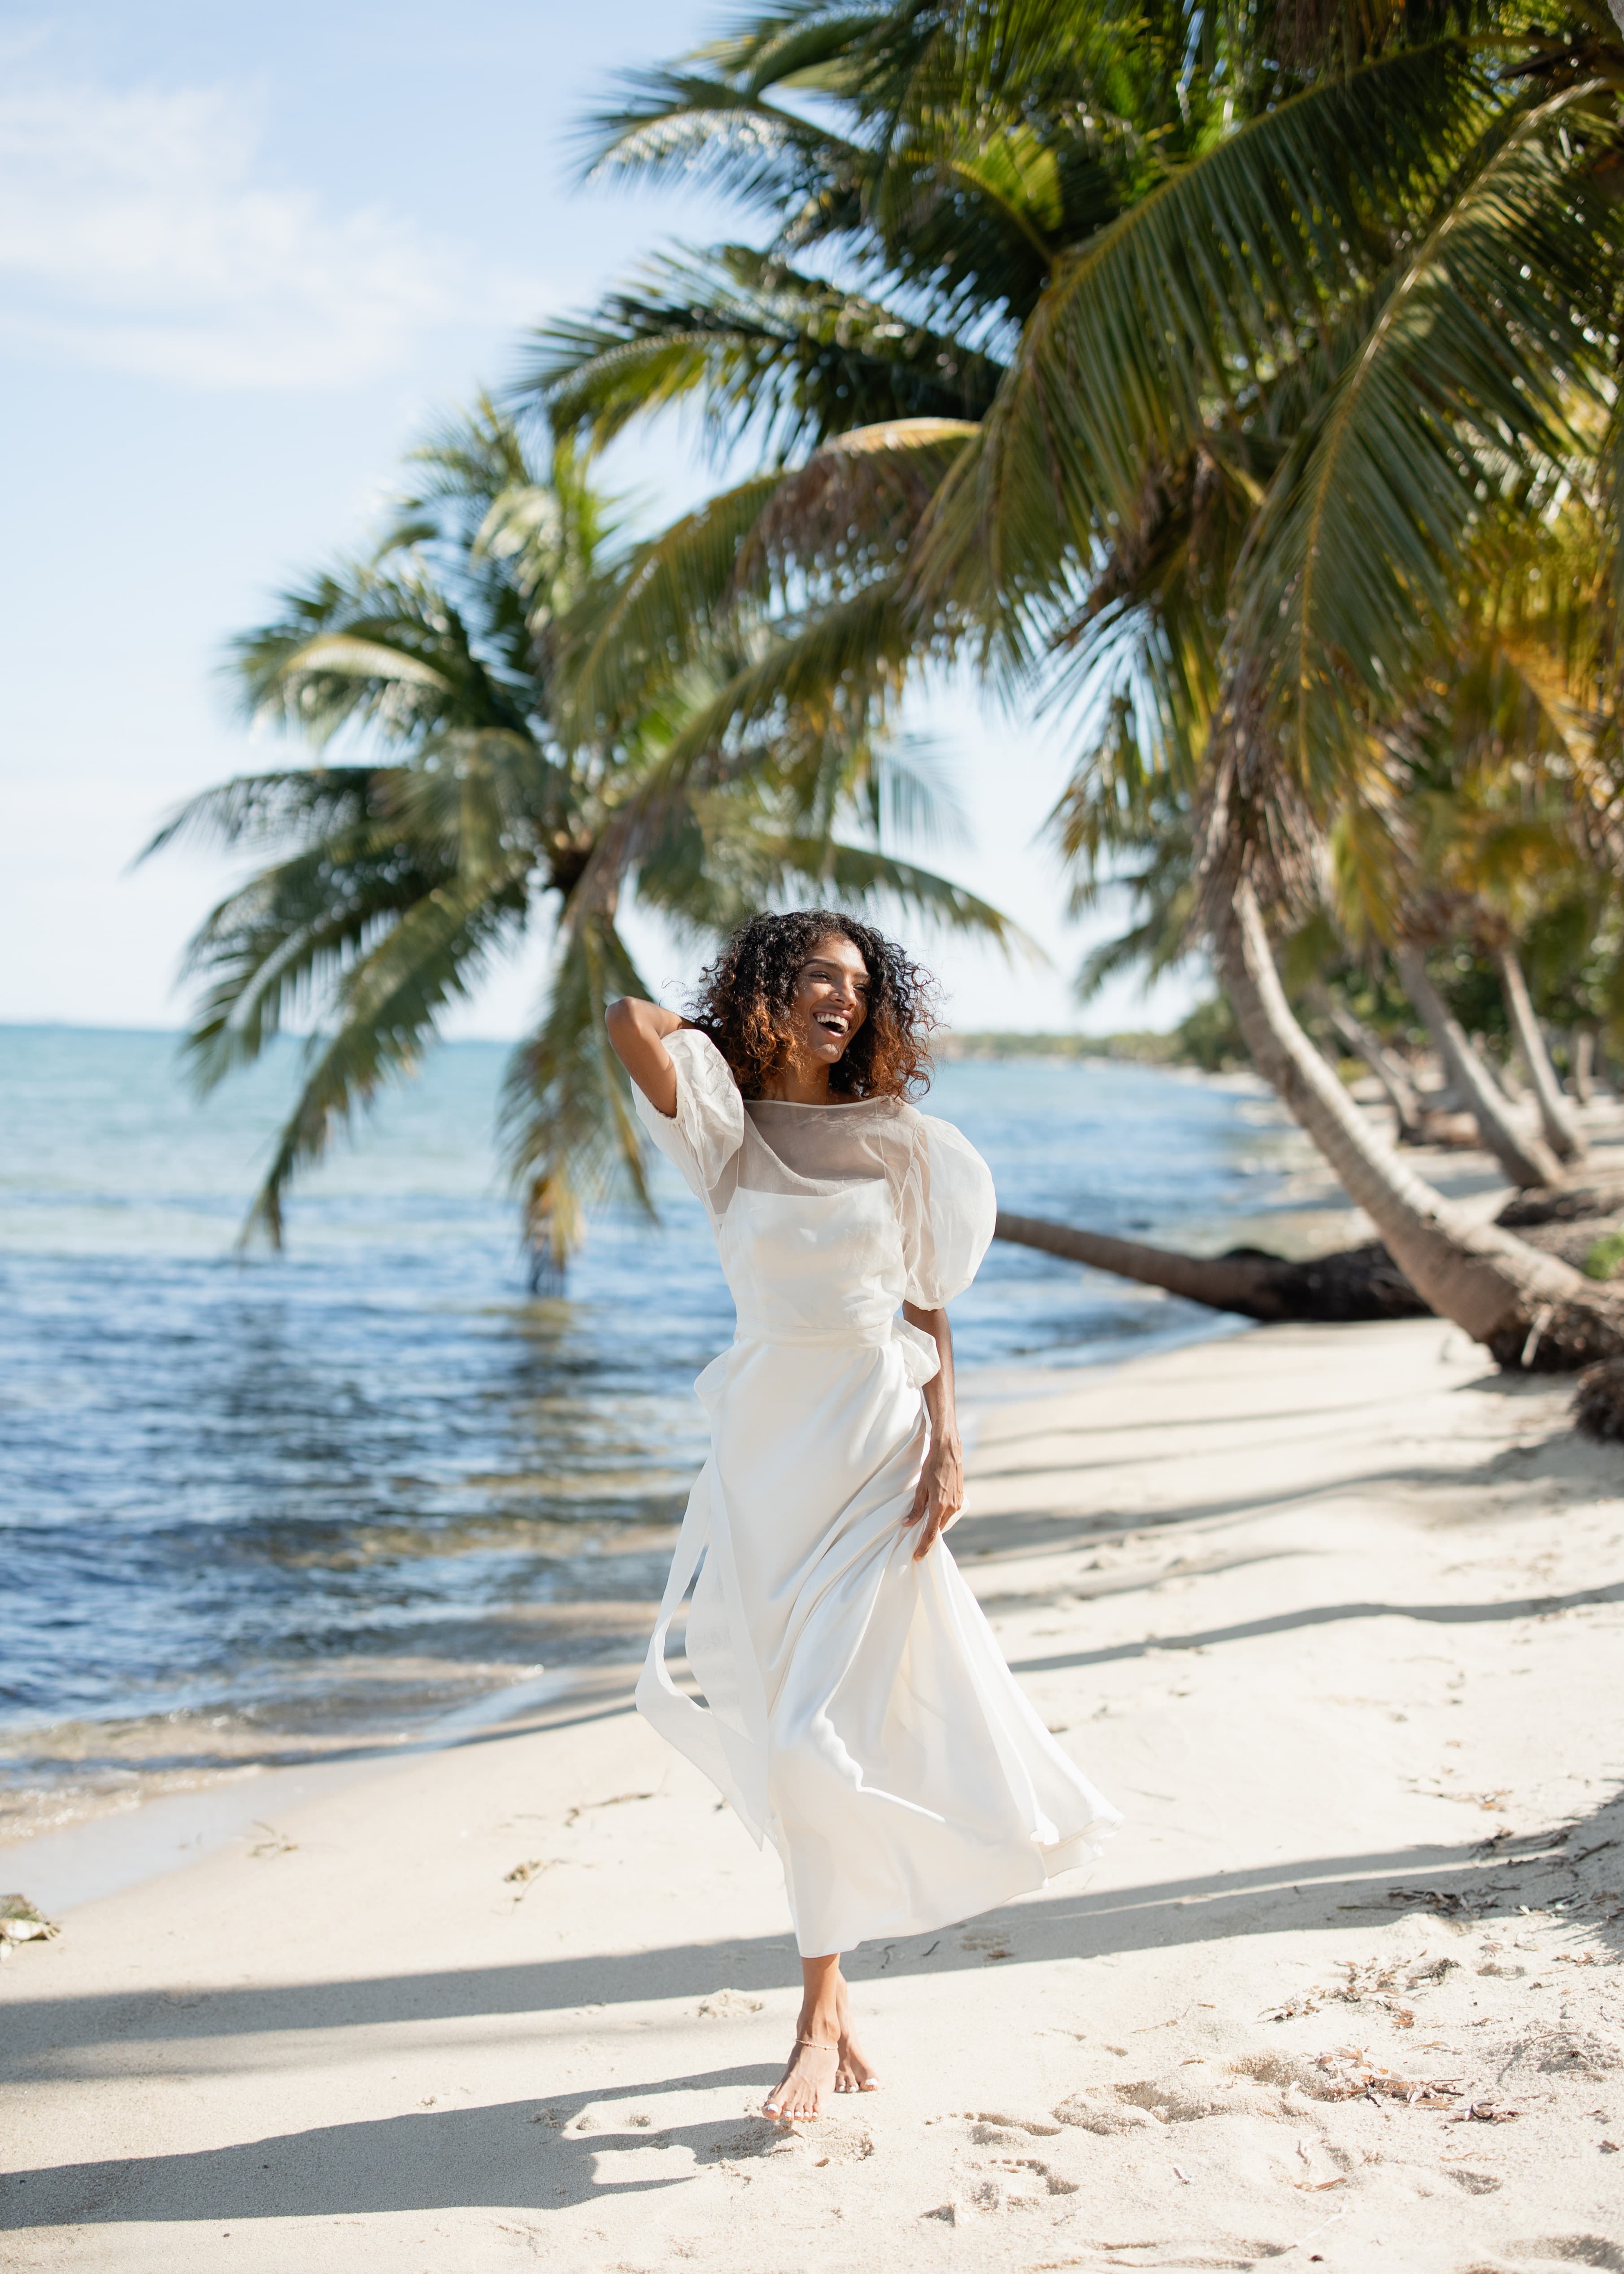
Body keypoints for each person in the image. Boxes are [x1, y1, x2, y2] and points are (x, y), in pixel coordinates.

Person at [605, 910, 1120, 2123]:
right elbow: (627, 1019)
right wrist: (727, 1035)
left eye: (860, 984)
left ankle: (814, 2015)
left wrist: (950, 1445)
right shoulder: (720, 1129)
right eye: (818, 980)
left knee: (808, 1743)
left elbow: (929, 1301)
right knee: (791, 1743)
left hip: (875, 1447)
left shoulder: (898, 1137)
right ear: (770, 989)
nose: (844, 999)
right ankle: (830, 2004)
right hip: (763, 1461)